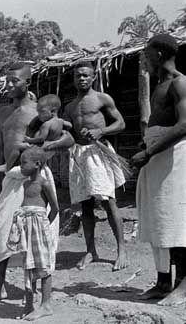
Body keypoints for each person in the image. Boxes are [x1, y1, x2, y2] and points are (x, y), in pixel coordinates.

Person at [0, 63, 73, 306]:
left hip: (35, 177)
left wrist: (43, 150)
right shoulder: (2, 113)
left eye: (15, 81)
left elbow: (69, 138)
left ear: (27, 83)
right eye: (7, 80)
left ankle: (38, 296)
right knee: (2, 232)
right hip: (10, 177)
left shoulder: (39, 110)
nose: (10, 85)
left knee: (39, 235)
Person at [131, 34, 186, 306]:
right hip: (156, 160)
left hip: (173, 159)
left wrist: (149, 151)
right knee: (158, 220)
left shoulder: (180, 83)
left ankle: (183, 286)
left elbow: (184, 125)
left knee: (175, 220)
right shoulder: (159, 85)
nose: (145, 60)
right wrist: (146, 143)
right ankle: (163, 282)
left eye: (147, 54)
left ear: (160, 55)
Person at [63, 61, 128, 271]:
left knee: (108, 201)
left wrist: (101, 132)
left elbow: (121, 123)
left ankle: (122, 250)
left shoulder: (102, 98)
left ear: (93, 77)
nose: (81, 79)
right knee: (85, 204)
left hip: (99, 152)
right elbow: (66, 133)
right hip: (80, 155)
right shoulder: (70, 107)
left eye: (85, 75)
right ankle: (91, 251)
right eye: (77, 76)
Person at [7, 147, 58, 320]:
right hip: (27, 229)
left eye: (23, 163)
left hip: (39, 228)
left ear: (37, 164)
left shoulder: (43, 183)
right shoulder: (25, 184)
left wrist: (44, 226)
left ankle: (46, 305)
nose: (20, 166)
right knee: (28, 265)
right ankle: (29, 304)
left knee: (43, 265)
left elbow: (55, 208)